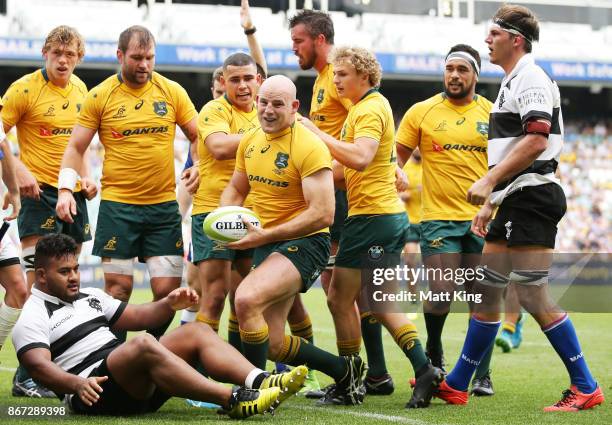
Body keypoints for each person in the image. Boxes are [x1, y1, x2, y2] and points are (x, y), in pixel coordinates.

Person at [434, 5, 604, 411]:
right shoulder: (512, 80)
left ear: (516, 39)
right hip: (515, 199)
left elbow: (536, 139)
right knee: (490, 292)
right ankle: (457, 383)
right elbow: (516, 148)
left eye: (493, 33)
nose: (487, 40)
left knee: (531, 296)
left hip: (532, 197)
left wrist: (489, 182)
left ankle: (585, 385)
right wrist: (492, 201)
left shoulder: (530, 77)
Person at [12, 233, 307, 418]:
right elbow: (39, 367)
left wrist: (169, 304)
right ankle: (234, 398)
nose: (74, 276)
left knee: (195, 330)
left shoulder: (90, 296)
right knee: (142, 344)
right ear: (40, 276)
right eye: (64, 272)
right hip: (94, 394)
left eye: (76, 269)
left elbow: (140, 316)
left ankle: (261, 380)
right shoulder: (31, 314)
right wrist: (77, 384)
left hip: (132, 381)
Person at [300, 47, 442, 408]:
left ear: (364, 76)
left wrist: (316, 133)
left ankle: (350, 381)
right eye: (335, 74)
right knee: (377, 301)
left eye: (343, 74)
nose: (336, 80)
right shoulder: (363, 109)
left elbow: (361, 159)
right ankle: (421, 369)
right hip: (382, 217)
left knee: (338, 298)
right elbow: (347, 172)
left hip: (372, 220)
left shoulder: (368, 109)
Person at [221, 75, 367, 406]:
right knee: (273, 343)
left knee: (244, 299)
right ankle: (345, 371)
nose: (268, 111)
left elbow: (323, 214)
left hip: (306, 242)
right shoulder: (250, 139)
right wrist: (224, 217)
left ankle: (251, 395)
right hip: (267, 244)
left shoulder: (309, 145)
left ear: (294, 107)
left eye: (278, 104)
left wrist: (265, 235)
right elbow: (236, 187)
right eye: (263, 102)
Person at [56, 25, 200, 342]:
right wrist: (66, 188)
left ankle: (148, 356)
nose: (144, 65)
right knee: (119, 289)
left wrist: (198, 164)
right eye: (137, 58)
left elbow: (197, 135)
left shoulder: (172, 91)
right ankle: (114, 361)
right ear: (120, 55)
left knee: (168, 292)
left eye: (150, 57)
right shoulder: (101, 95)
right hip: (118, 208)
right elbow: (75, 147)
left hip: (163, 209)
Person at [289, 8, 393, 397]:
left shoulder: (339, 79)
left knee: (346, 291)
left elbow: (367, 126)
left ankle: (367, 373)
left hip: (342, 193)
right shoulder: (323, 80)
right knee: (345, 289)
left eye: (298, 41)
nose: (294, 49)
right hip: (335, 189)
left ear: (319, 40)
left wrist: (389, 163)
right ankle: (371, 373)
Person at [1, 25, 95, 399]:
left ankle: (47, 372)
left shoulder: (82, 91)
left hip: (73, 196)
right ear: (45, 53)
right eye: (57, 53)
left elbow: (81, 145)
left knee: (66, 287)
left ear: (78, 58)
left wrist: (87, 179)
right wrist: (18, 170)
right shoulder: (24, 89)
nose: (63, 60)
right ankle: (27, 376)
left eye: (70, 55)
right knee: (39, 288)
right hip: (38, 193)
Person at [396, 44, 496, 396]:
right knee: (441, 292)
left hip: (483, 220)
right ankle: (434, 349)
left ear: (476, 75)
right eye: (449, 69)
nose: (454, 75)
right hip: (438, 219)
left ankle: (482, 373)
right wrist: (398, 173)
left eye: (462, 69)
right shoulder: (422, 112)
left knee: (482, 299)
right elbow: (397, 156)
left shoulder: (493, 112)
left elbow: (505, 165)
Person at [191, 52, 261, 346]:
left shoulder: (264, 111)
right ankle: (199, 374)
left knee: (246, 297)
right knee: (215, 295)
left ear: (258, 80)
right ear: (223, 81)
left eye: (248, 78)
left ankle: (241, 370)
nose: (242, 85)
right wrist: (268, 133)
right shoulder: (213, 110)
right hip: (214, 214)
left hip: (255, 215)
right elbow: (219, 147)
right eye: (235, 80)